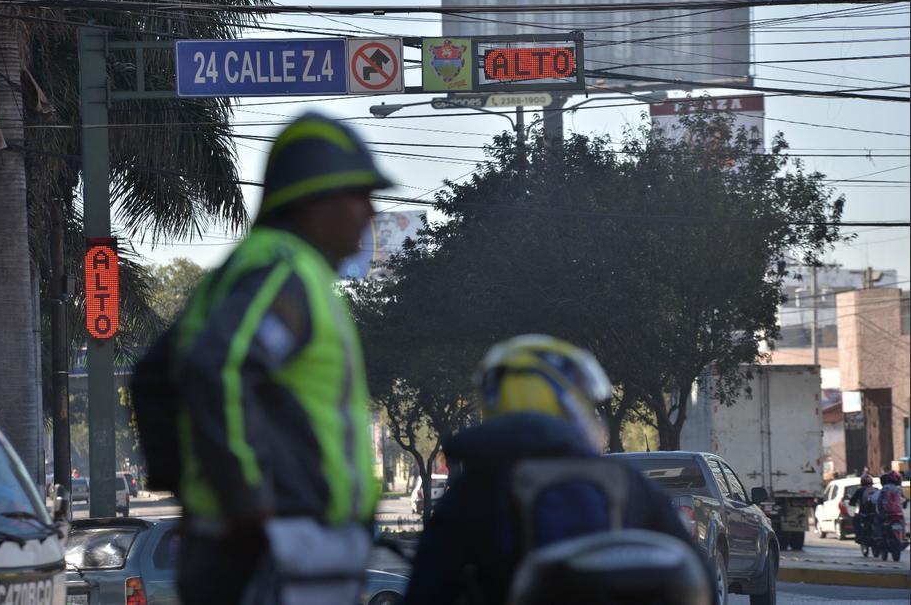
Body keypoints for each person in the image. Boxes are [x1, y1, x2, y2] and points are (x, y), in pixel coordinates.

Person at [165, 113, 390, 605]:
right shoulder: (283, 273)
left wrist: (190, 492)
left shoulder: (256, 269)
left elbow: (153, 376)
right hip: (274, 554)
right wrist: (245, 499)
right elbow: (219, 366)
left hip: (266, 550)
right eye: (357, 195)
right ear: (312, 201)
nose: (369, 211)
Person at [401, 335, 714, 605]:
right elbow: (701, 580)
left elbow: (426, 592)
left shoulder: (472, 493)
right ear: (565, 403)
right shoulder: (623, 482)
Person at [848, 473, 876, 544]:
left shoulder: (860, 490)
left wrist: (851, 503)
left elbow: (852, 500)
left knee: (855, 520)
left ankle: (859, 537)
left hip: (864, 513)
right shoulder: (876, 489)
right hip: (876, 513)